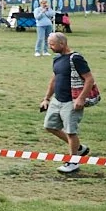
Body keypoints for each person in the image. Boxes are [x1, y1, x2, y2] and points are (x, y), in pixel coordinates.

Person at [41, 32, 98, 174]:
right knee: (50, 126)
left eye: (52, 44)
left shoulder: (76, 59)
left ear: (62, 43)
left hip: (71, 102)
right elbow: (54, 79)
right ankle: (79, 148)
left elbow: (89, 79)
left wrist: (81, 98)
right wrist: (46, 98)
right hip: (57, 100)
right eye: (49, 44)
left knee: (71, 132)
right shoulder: (57, 59)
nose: (50, 47)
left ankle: (73, 162)